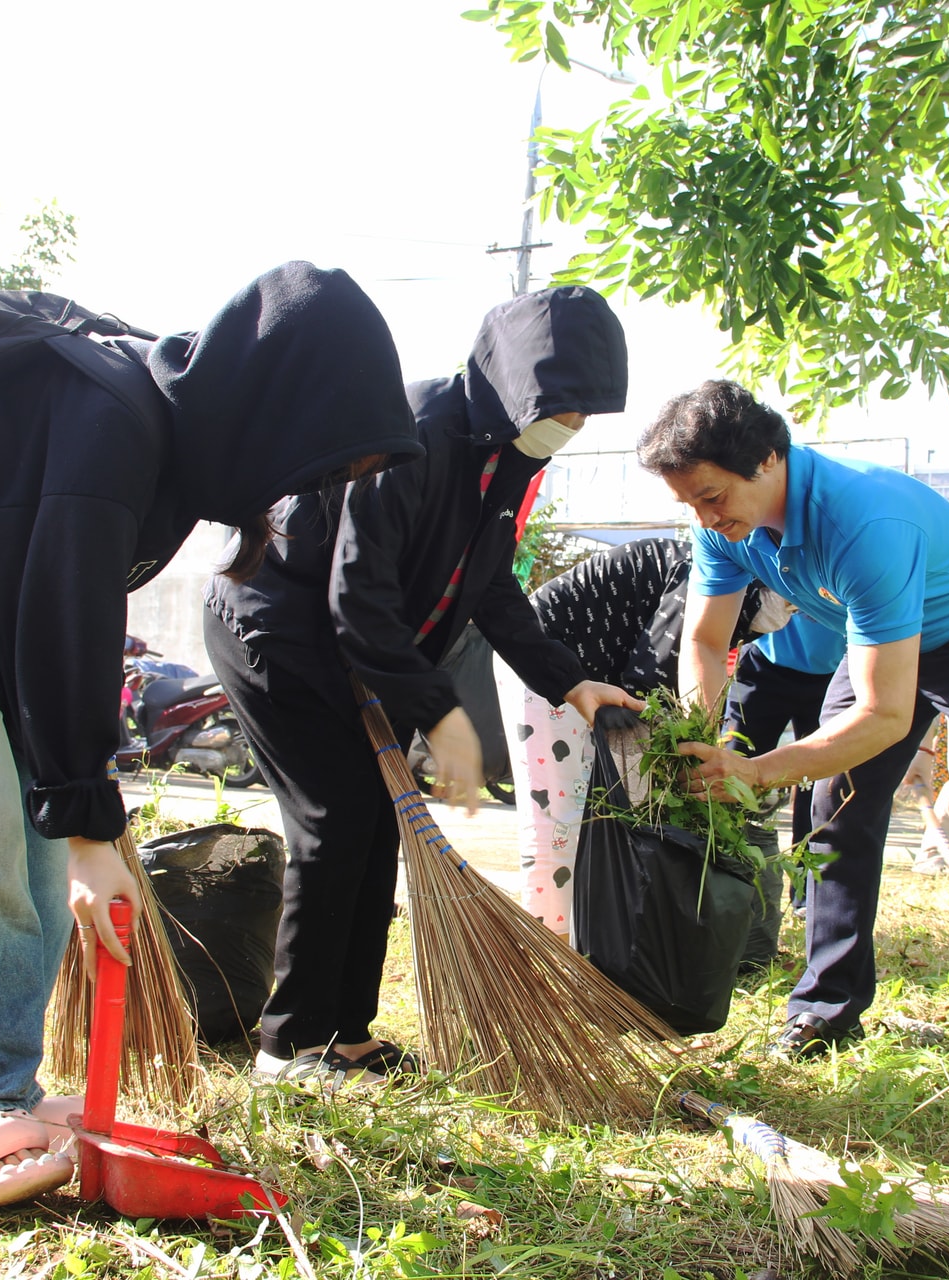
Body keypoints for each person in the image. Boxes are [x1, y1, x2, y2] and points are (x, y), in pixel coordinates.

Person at [0, 263, 423, 1215]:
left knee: (37, 858)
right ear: (279, 410)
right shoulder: (119, 420)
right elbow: (68, 618)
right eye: (324, 459)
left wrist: (78, 824)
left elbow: (57, 615)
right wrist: (94, 831)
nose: (315, 487)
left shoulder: (167, 442)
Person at [203, 286, 644, 1088]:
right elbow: (357, 596)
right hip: (278, 636)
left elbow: (490, 587)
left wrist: (569, 681)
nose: (573, 425)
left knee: (375, 831)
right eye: (564, 405)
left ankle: (344, 1033)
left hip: (357, 649)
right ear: (515, 377)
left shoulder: (506, 456)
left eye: (585, 411)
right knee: (334, 821)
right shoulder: (413, 433)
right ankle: (286, 1046)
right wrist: (440, 715)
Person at [644, 380, 949, 1098]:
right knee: (836, 811)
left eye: (712, 496)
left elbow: (883, 717)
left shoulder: (863, 521)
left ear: (769, 460)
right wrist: (705, 737)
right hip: (882, 644)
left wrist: (760, 769)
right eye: (689, 503)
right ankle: (825, 1010)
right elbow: (708, 643)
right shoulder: (723, 528)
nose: (704, 516)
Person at [496, 535, 795, 936]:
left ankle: (595, 936)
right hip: (545, 663)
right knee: (557, 818)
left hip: (596, 673)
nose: (792, 613)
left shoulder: (739, 584)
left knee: (604, 817)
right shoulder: (718, 579)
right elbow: (654, 669)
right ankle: (551, 945)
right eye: (792, 604)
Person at [723, 609, 843, 909]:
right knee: (731, 778)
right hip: (763, 668)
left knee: (819, 788)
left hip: (834, 676)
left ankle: (807, 895)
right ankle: (725, 880)